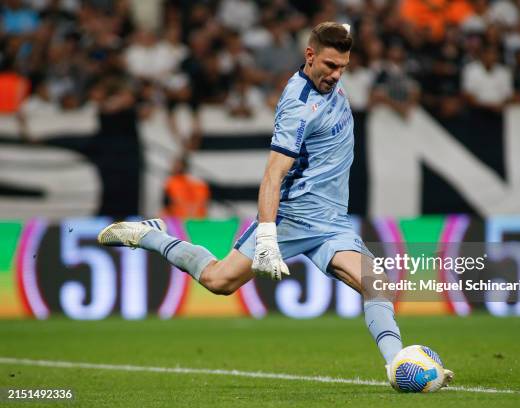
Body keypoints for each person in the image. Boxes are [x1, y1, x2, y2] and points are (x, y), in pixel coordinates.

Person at [97, 21, 453, 389]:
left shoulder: (329, 63)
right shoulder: (298, 108)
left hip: (331, 220)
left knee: (375, 280)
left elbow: (337, 28)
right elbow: (272, 175)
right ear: (309, 56)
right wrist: (267, 236)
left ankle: (397, 363)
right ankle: (149, 235)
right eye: (330, 66)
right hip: (292, 218)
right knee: (219, 281)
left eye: (343, 68)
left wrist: (342, 26)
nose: (336, 75)